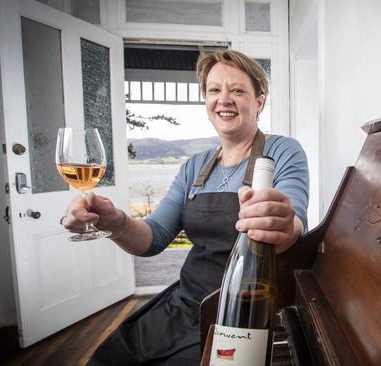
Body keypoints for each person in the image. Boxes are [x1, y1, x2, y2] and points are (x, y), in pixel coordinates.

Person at [60, 49, 309, 365]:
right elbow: (153, 236)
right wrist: (116, 222)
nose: (224, 99)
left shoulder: (282, 151)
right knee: (108, 358)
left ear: (259, 101)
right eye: (214, 90)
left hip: (243, 312)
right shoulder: (195, 165)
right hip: (184, 304)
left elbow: (294, 218)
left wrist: (281, 224)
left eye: (237, 90)